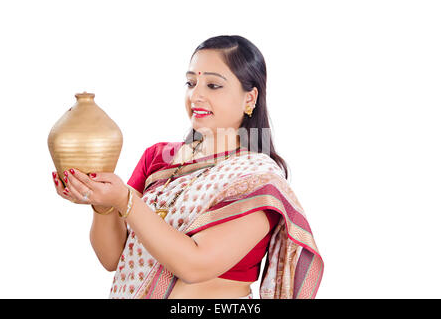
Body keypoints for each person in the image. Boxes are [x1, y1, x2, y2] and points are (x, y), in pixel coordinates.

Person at [51, 35, 323, 299]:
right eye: (191, 82)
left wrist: (124, 200)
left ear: (250, 98)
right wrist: (102, 204)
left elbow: (195, 264)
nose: (196, 95)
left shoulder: (258, 180)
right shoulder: (158, 158)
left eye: (213, 86)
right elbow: (113, 257)